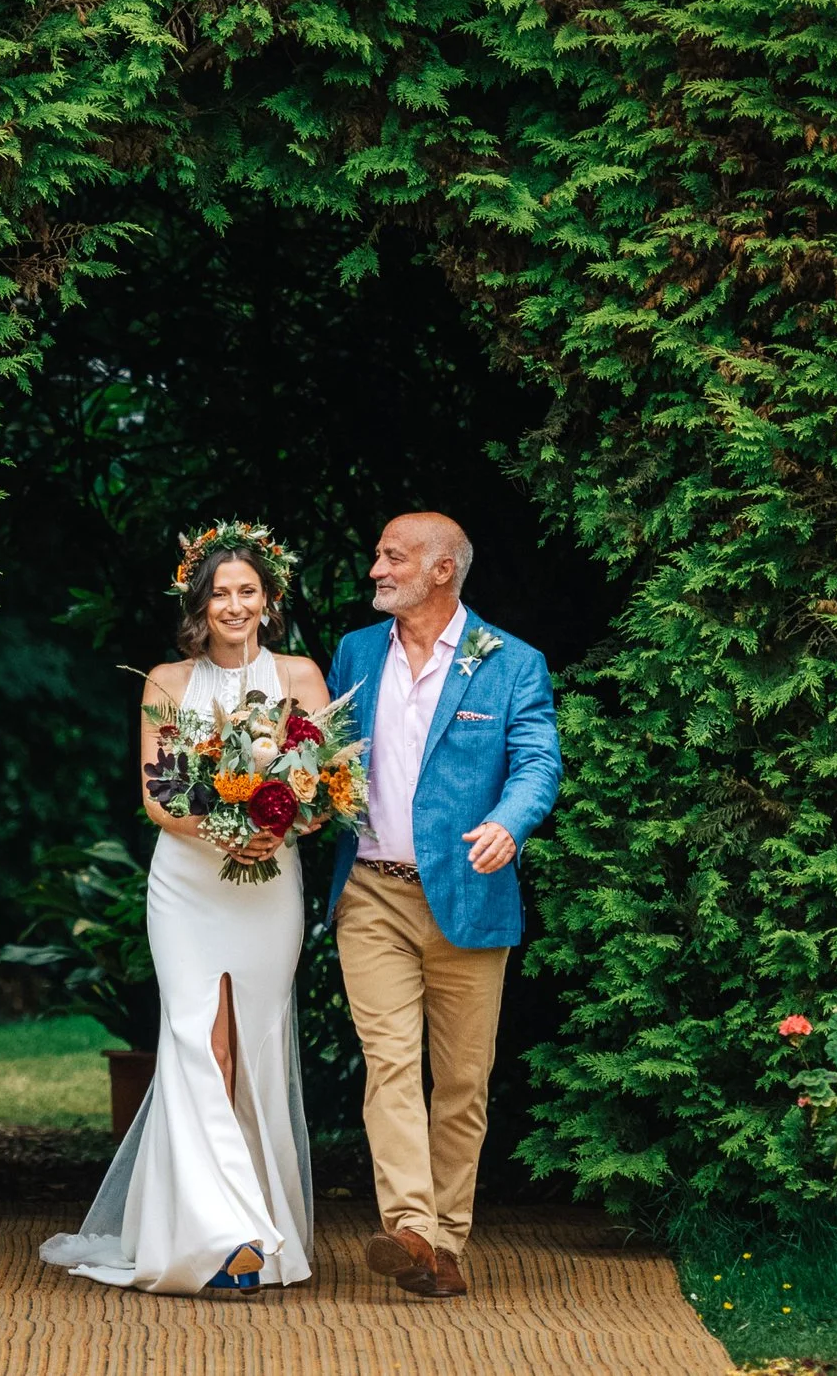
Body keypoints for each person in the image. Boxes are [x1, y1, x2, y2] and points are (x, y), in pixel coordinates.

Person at [41, 522, 323, 1294]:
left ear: (268, 599)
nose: (235, 604)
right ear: (199, 603)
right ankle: (228, 1237)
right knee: (202, 1043)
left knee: (253, 1045)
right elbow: (160, 796)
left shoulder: (299, 674)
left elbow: (324, 787)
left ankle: (250, 1216)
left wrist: (279, 826)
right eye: (220, 592)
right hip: (187, 887)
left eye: (248, 590)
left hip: (270, 888)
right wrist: (229, 826)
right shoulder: (166, 680)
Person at [322, 512, 560, 1299]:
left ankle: (446, 1243)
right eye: (380, 551)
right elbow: (322, 755)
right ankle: (412, 1229)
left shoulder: (512, 663)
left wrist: (508, 822)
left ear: (440, 571)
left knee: (461, 1079)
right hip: (371, 893)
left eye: (393, 555)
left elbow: (537, 762)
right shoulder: (357, 652)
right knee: (390, 1064)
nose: (376, 568)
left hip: (467, 893)